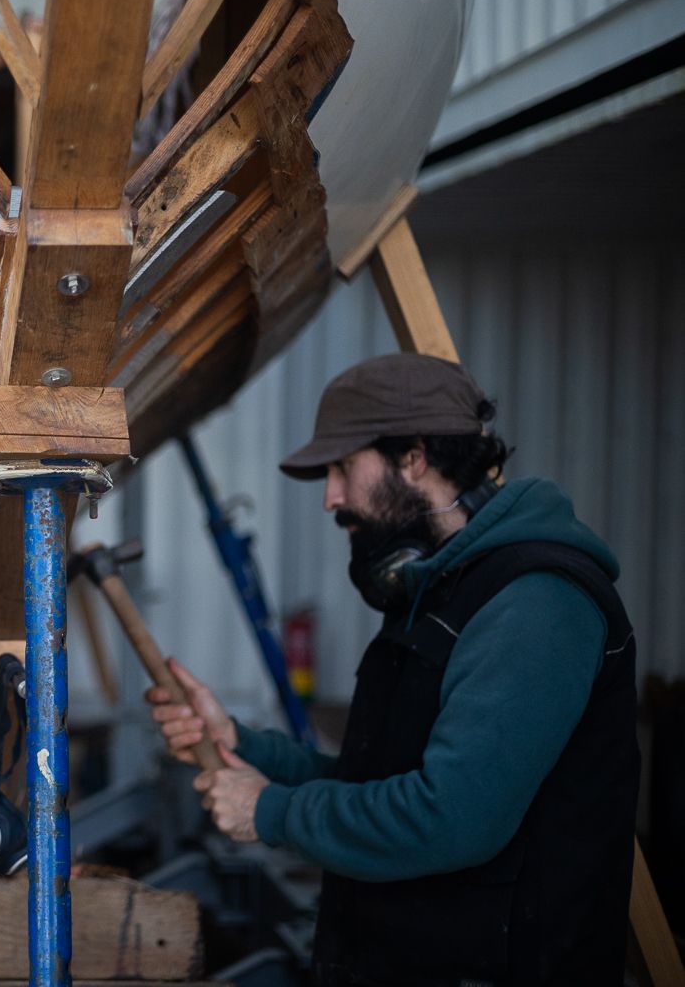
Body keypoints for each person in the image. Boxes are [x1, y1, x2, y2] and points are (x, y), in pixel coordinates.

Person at [146, 353, 639, 986]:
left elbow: (449, 818)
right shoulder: (436, 589)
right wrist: (238, 744)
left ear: (414, 457)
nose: (331, 497)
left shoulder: (536, 603)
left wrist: (271, 811)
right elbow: (372, 780)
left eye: (344, 467)